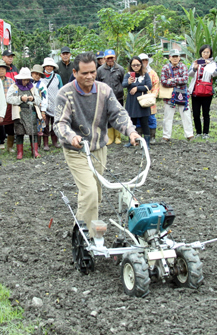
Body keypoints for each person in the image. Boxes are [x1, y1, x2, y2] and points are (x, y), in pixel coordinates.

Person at [54, 52, 141, 239]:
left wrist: (131, 131)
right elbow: (60, 124)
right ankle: (89, 239)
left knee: (96, 194)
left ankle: (80, 226)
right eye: (84, 73)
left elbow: (118, 114)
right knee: (90, 191)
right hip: (76, 150)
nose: (89, 76)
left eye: (93, 72)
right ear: (75, 72)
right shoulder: (65, 94)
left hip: (99, 149)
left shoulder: (104, 91)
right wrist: (71, 137)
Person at [6, 67, 43, 159]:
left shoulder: (32, 88)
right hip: (19, 112)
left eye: (27, 80)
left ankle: (35, 151)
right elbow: (9, 99)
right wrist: (20, 99)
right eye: (24, 80)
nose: (26, 81)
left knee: (33, 132)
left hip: (31, 111)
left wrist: (33, 98)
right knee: (19, 132)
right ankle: (20, 153)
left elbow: (39, 100)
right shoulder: (14, 87)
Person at [160, 49, 194, 142]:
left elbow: (185, 80)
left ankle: (189, 135)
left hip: (182, 94)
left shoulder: (183, 66)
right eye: (173, 56)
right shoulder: (165, 68)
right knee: (168, 116)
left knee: (186, 115)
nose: (175, 58)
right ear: (169, 57)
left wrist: (172, 80)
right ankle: (166, 136)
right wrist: (177, 81)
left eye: (177, 56)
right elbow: (163, 82)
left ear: (179, 57)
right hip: (169, 96)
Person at [188, 44, 217, 138]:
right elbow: (190, 74)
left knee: (206, 113)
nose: (205, 54)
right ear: (201, 52)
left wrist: (209, 65)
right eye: (204, 52)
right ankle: (198, 132)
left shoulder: (212, 63)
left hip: (207, 92)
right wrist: (195, 67)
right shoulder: (196, 62)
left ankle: (206, 133)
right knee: (196, 113)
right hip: (196, 91)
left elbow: (215, 74)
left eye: (207, 52)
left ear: (210, 53)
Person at [122, 56, 152, 146]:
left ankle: (147, 143)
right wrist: (129, 82)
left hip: (143, 102)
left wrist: (137, 88)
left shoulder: (145, 74)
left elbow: (149, 86)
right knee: (132, 122)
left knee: (144, 123)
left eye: (138, 65)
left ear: (141, 65)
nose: (136, 67)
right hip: (132, 103)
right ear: (131, 66)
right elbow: (123, 85)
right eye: (133, 65)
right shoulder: (128, 75)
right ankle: (131, 141)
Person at [97, 49, 124, 144]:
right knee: (108, 117)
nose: (110, 60)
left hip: (118, 97)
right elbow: (97, 83)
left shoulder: (120, 69)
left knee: (118, 116)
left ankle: (118, 136)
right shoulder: (100, 70)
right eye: (108, 58)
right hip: (105, 98)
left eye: (111, 58)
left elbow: (122, 82)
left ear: (115, 57)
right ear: (104, 59)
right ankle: (110, 137)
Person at [138, 54, 160, 144]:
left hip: (150, 99)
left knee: (151, 118)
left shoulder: (152, 73)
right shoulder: (136, 73)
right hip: (139, 99)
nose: (145, 62)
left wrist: (153, 95)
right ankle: (139, 137)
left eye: (146, 60)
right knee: (138, 117)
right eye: (142, 61)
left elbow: (156, 85)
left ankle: (152, 137)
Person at [42, 57, 63, 149]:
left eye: (51, 66)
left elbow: (61, 89)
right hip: (44, 105)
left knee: (55, 124)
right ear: (44, 67)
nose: (49, 68)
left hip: (55, 103)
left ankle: (55, 141)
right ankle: (45, 143)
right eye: (47, 66)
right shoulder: (41, 77)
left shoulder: (57, 77)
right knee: (45, 124)